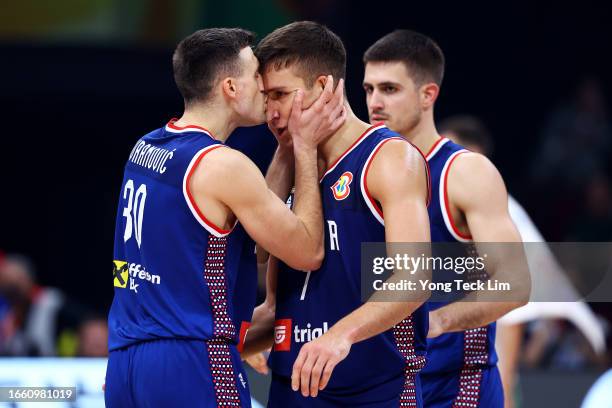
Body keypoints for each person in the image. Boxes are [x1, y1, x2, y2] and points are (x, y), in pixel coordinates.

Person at [105, 27, 345, 408]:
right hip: (193, 359)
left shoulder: (147, 146)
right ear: (231, 87)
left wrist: (283, 149)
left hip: (125, 360)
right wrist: (304, 146)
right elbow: (307, 251)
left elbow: (252, 217)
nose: (264, 90)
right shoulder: (223, 165)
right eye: (256, 77)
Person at [244, 21, 432, 407]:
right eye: (266, 98)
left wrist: (340, 334)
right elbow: (269, 292)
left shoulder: (390, 157)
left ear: (325, 88)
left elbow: (414, 279)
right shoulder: (295, 161)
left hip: (375, 390)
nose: (271, 112)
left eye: (281, 94)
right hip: (292, 386)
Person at [363, 30, 527, 407]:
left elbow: (516, 283)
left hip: (456, 386)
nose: (375, 102)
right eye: (369, 89)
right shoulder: (364, 172)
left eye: (389, 89)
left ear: (427, 95)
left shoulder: (466, 172)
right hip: (386, 383)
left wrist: (437, 321)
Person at [440, 114, 607, 408]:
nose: (439, 159)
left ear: (476, 158)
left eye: (449, 151)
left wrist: (502, 390)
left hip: (492, 357)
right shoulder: (435, 204)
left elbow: (515, 302)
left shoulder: (503, 212)